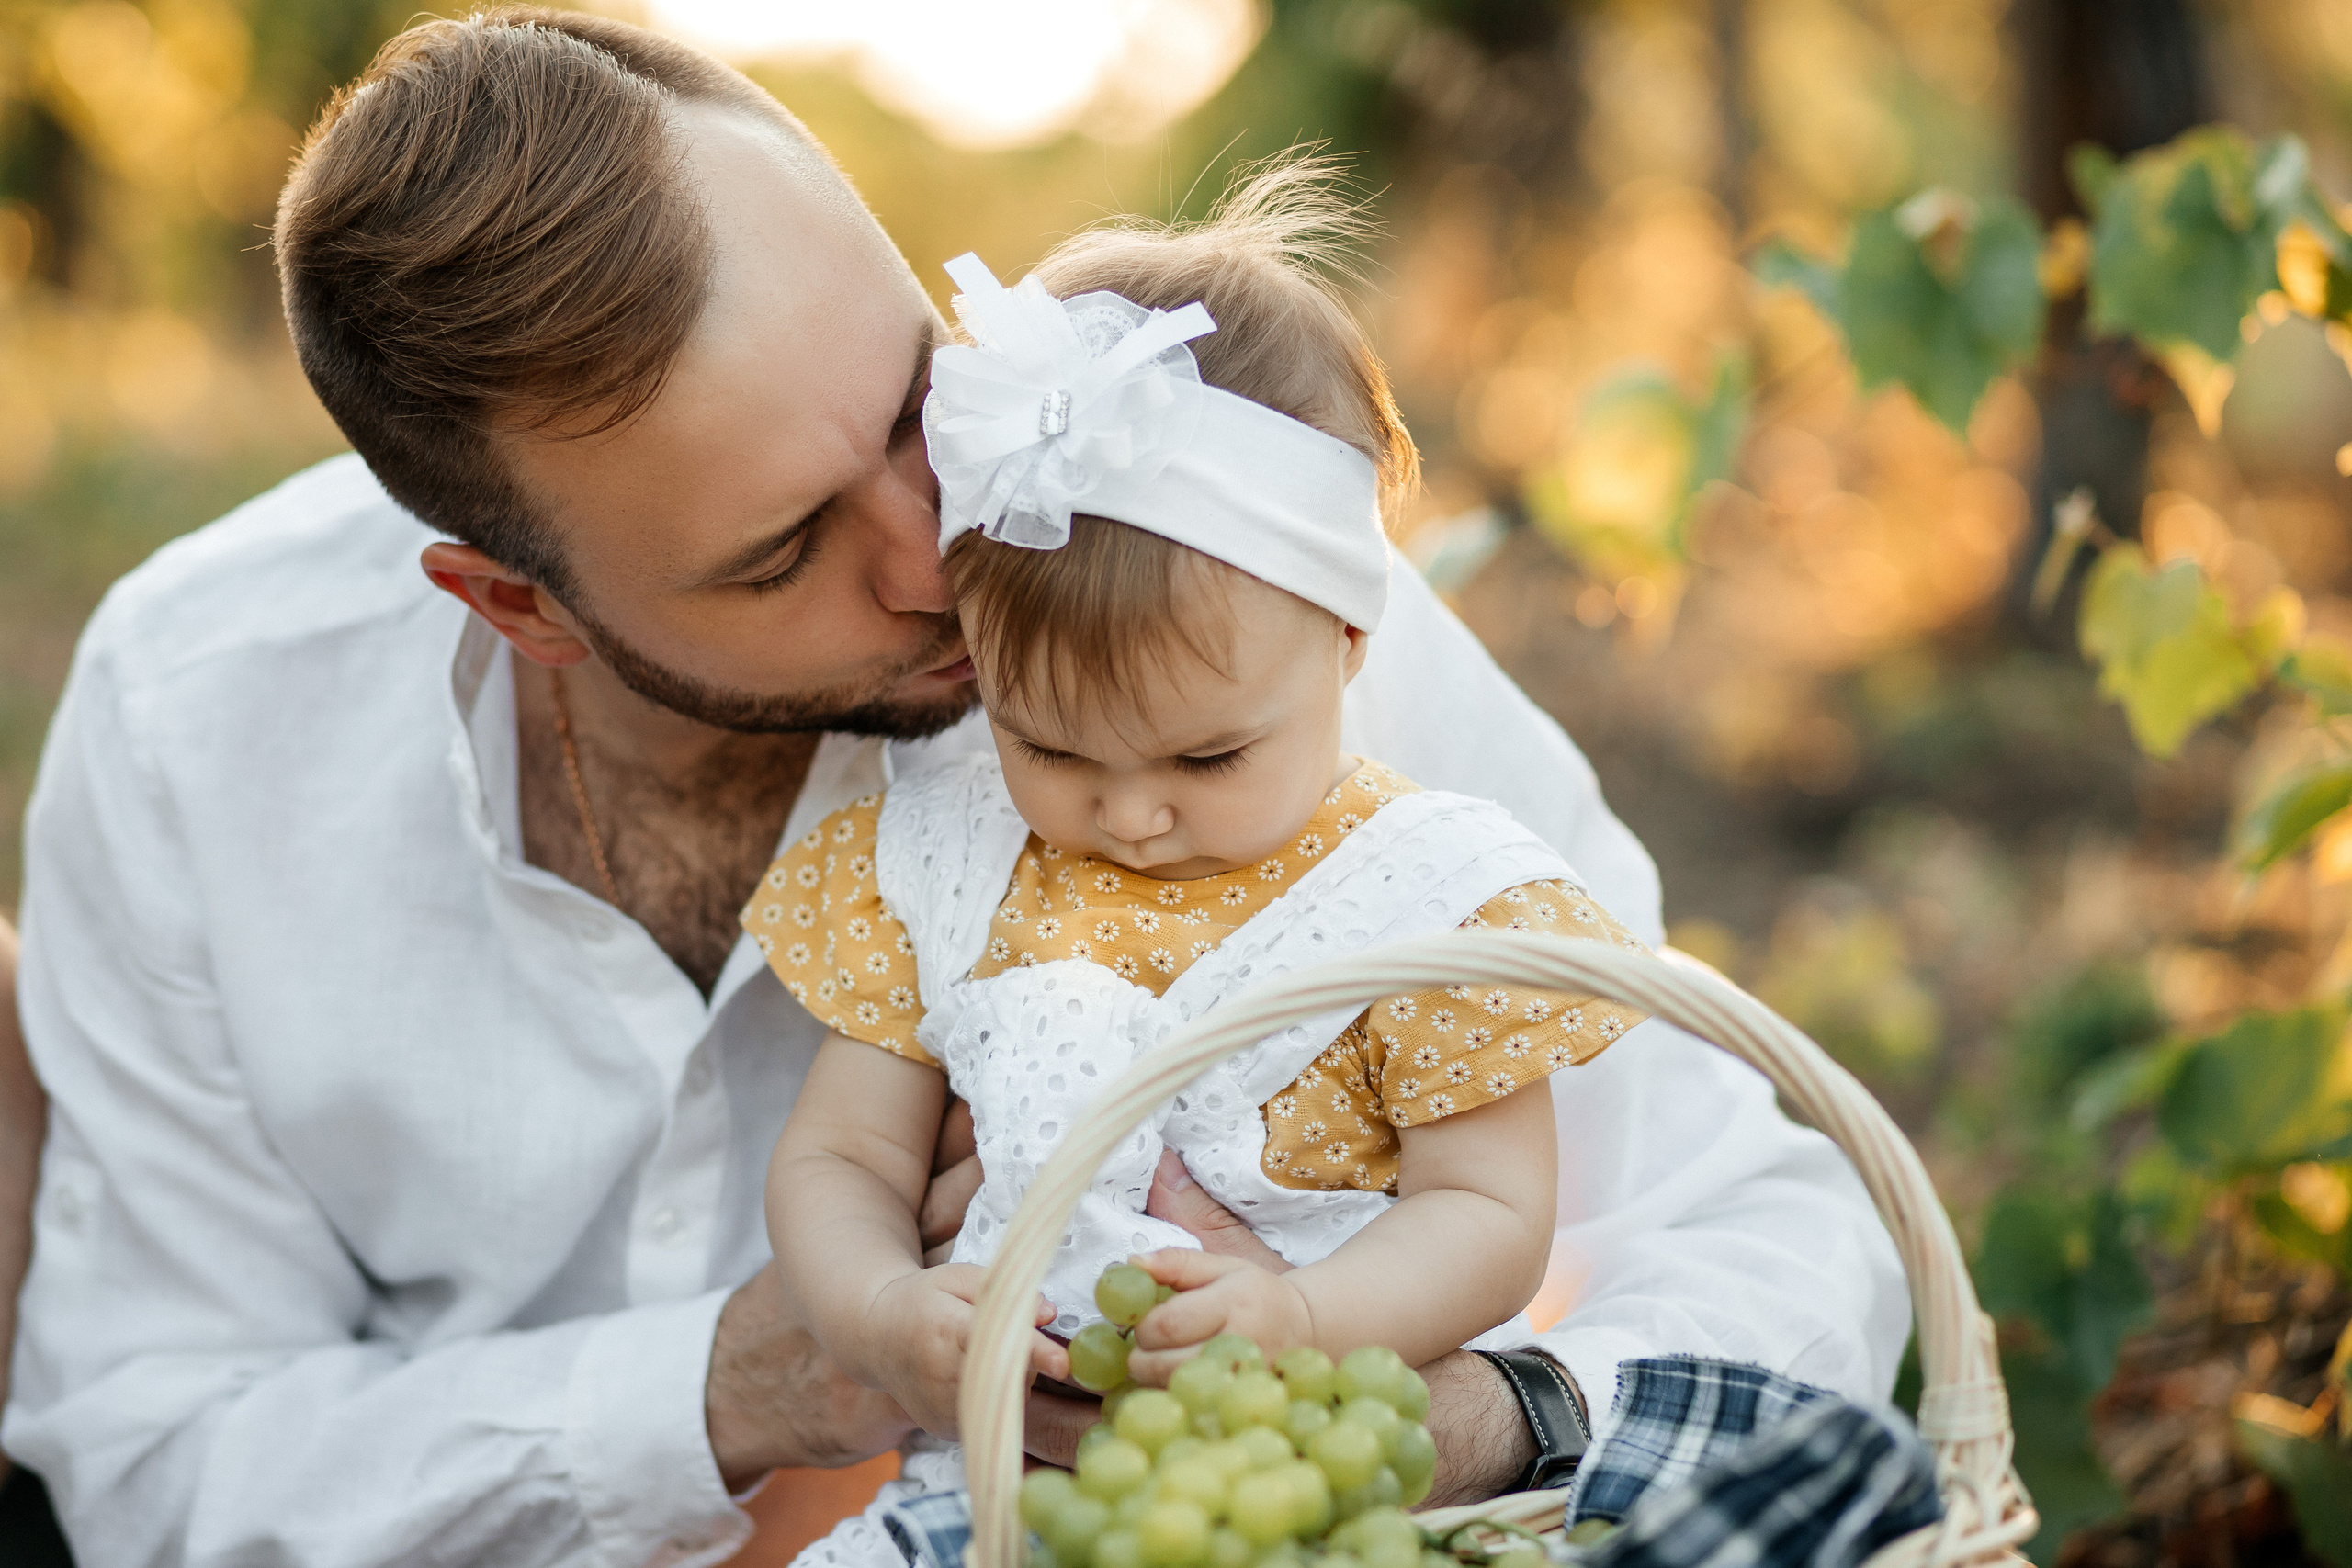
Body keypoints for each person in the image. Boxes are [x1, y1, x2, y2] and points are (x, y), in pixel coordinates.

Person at [1, 10, 1906, 1568]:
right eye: (780, 552)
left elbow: (1780, 1243)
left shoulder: (1213, 612)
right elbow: (158, 1463)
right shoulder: (200, 720)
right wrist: (755, 1381)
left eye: (920, 399)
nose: (942, 558)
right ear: (516, 601)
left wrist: (1409, 1404)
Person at [765, 179, 1654, 1568]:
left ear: (1350, 642)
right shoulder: (949, 866)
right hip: (1009, 1496)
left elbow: (1487, 1214)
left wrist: (1308, 1316)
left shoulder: (1421, 895)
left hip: (1321, 1483)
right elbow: (843, 1153)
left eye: (1208, 758)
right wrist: (878, 1308)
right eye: (1046, 740)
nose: (1128, 814)